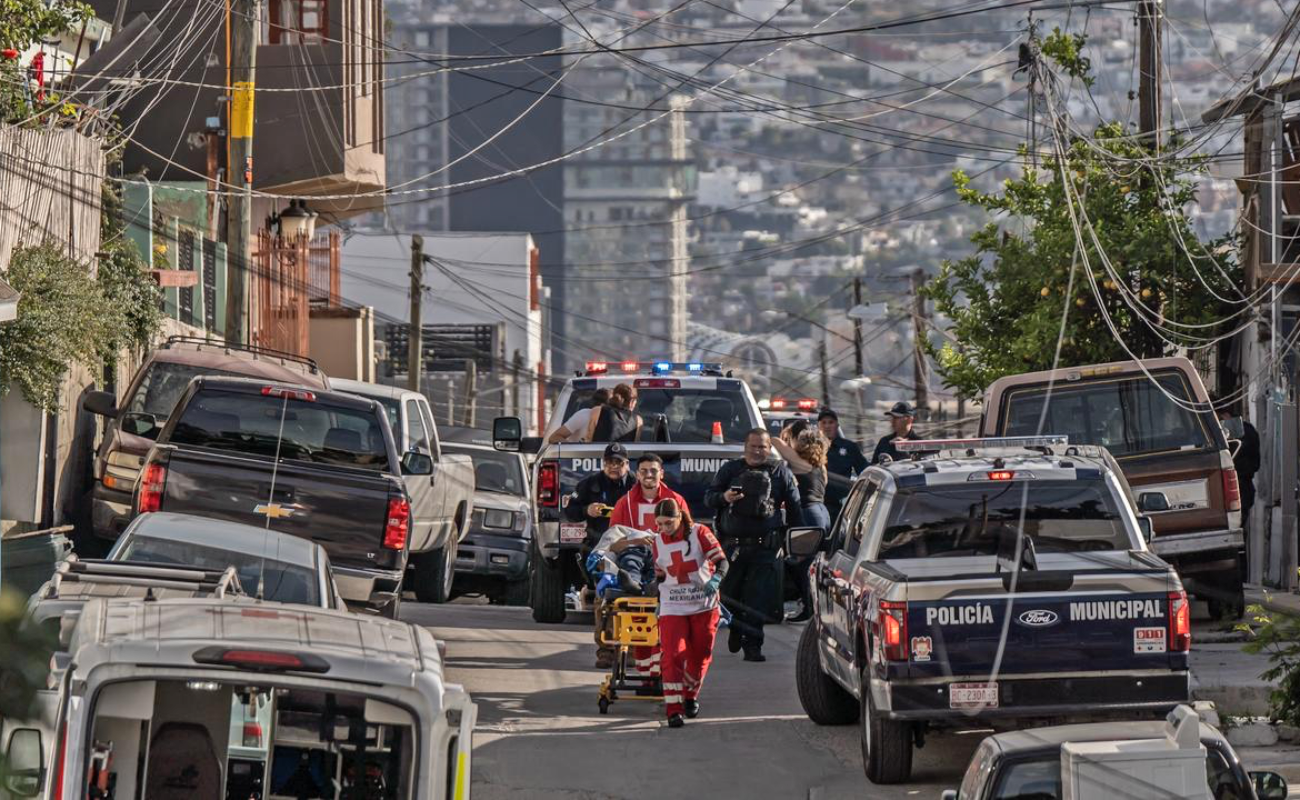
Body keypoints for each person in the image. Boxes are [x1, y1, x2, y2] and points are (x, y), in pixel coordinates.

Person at [705, 428, 802, 662]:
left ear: (770, 448)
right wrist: (724, 497)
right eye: (754, 446)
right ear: (745, 447)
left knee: (757, 599)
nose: (758, 451)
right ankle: (737, 630)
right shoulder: (730, 470)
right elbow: (709, 497)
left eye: (763, 447)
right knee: (731, 595)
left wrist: (797, 542)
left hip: (765, 548)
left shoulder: (780, 472)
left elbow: (795, 508)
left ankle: (753, 645)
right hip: (732, 547)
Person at [650, 498, 728, 728]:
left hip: (703, 605)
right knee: (673, 654)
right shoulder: (657, 541)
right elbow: (660, 575)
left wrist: (716, 579)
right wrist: (657, 599)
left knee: (700, 654)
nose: (663, 529)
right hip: (672, 605)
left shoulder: (700, 533)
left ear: (679, 518)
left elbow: (723, 562)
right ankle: (673, 708)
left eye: (667, 523)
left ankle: (690, 695)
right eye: (659, 524)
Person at [564, 442, 637, 668]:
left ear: (627, 464)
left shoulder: (636, 484)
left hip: (632, 549)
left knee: (634, 599)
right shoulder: (590, 484)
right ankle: (605, 649)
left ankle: (631, 648)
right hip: (601, 549)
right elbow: (571, 511)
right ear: (603, 464)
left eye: (618, 463)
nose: (614, 467)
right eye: (609, 463)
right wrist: (588, 510)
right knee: (604, 598)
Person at [772, 423, 830, 623]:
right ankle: (813, 605)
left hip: (808, 514)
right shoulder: (820, 466)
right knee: (814, 563)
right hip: (822, 513)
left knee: (802, 565)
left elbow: (774, 442)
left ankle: (810, 609)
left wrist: (785, 436)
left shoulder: (799, 462)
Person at [1217, 401, 1261, 547]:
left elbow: (1253, 463)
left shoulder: (1242, 431)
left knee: (1236, 537)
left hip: (1240, 489)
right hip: (1240, 490)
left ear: (1225, 415)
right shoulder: (1245, 430)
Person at [609, 453, 687, 531]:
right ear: (638, 475)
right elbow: (613, 537)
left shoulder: (677, 501)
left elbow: (687, 533)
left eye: (653, 471)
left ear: (661, 474)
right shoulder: (623, 503)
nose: (649, 475)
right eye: (644, 471)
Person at [819, 407, 869, 525]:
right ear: (819, 426)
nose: (827, 426)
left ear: (837, 425)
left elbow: (865, 470)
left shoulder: (849, 447)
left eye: (831, 422)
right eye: (824, 423)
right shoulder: (812, 448)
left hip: (842, 507)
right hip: (819, 505)